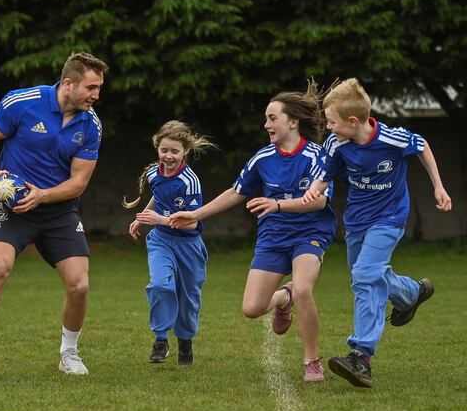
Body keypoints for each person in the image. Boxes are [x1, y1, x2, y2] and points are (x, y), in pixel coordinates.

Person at [0, 52, 108, 378]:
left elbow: (78, 182)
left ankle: (69, 353)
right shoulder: (22, 102)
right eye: (91, 88)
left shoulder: (90, 124)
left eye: (99, 88)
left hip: (58, 209)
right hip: (13, 207)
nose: (96, 95)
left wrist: (43, 196)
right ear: (68, 83)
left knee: (79, 285)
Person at [170, 80, 336, 383]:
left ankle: (312, 361)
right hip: (273, 237)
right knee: (251, 308)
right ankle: (283, 299)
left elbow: (320, 201)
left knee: (303, 289)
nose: (266, 124)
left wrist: (278, 204)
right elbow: (235, 192)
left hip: (309, 233)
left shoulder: (317, 157)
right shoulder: (262, 158)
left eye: (272, 118)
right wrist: (194, 214)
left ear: (293, 122)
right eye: (266, 119)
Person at [302, 78, 451, 388]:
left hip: (390, 218)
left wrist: (438, 186)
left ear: (353, 121)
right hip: (357, 221)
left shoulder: (391, 138)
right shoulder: (337, 144)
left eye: (332, 122)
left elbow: (421, 145)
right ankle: (411, 292)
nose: (328, 128)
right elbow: (324, 178)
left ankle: (361, 355)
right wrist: (311, 193)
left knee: (365, 275)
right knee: (365, 275)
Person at [124, 120, 215, 365]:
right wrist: (143, 218)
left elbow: (193, 223)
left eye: (174, 151)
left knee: (188, 299)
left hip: (189, 246)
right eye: (164, 150)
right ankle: (161, 340)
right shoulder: (154, 173)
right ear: (157, 148)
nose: (168, 156)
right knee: (160, 285)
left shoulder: (189, 182)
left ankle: (185, 342)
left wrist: (159, 219)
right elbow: (158, 195)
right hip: (161, 241)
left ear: (185, 151)